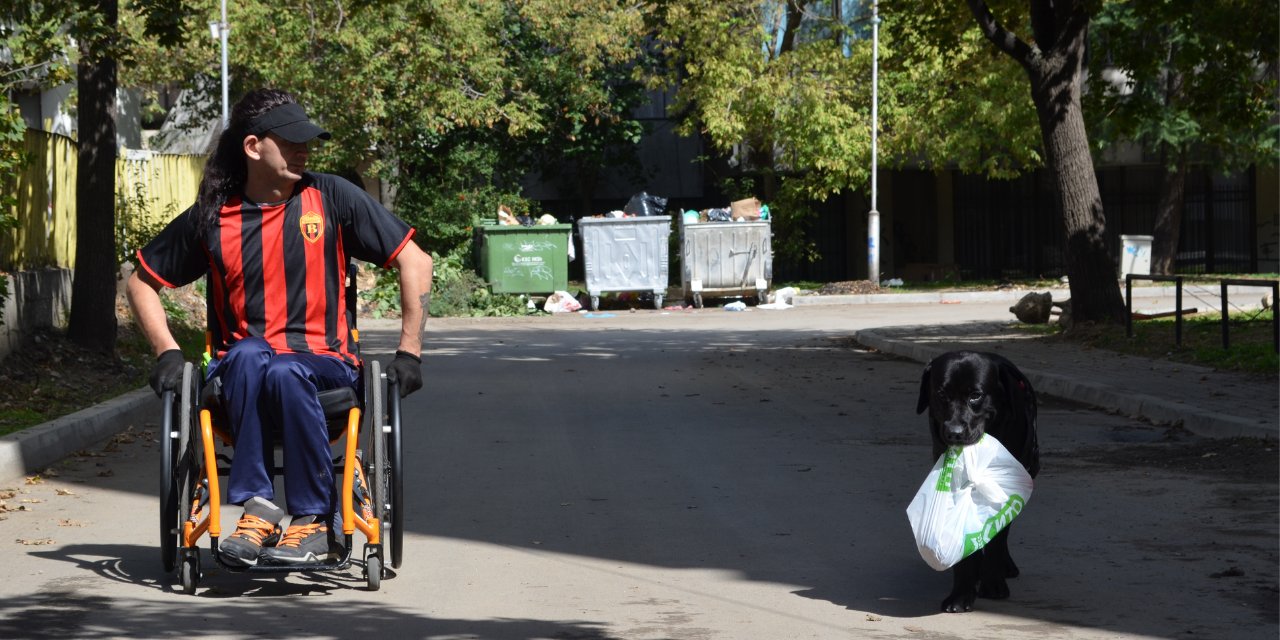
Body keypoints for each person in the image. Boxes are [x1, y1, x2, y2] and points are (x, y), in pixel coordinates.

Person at [127, 88, 432, 567]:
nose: (303, 150)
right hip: (240, 373)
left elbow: (415, 260)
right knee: (250, 354)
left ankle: (312, 518)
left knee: (285, 370)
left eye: (306, 141)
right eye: (289, 142)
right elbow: (142, 282)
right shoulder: (214, 215)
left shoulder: (330, 197)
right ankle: (261, 509)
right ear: (253, 147)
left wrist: (409, 352)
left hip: (325, 366)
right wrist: (167, 351)